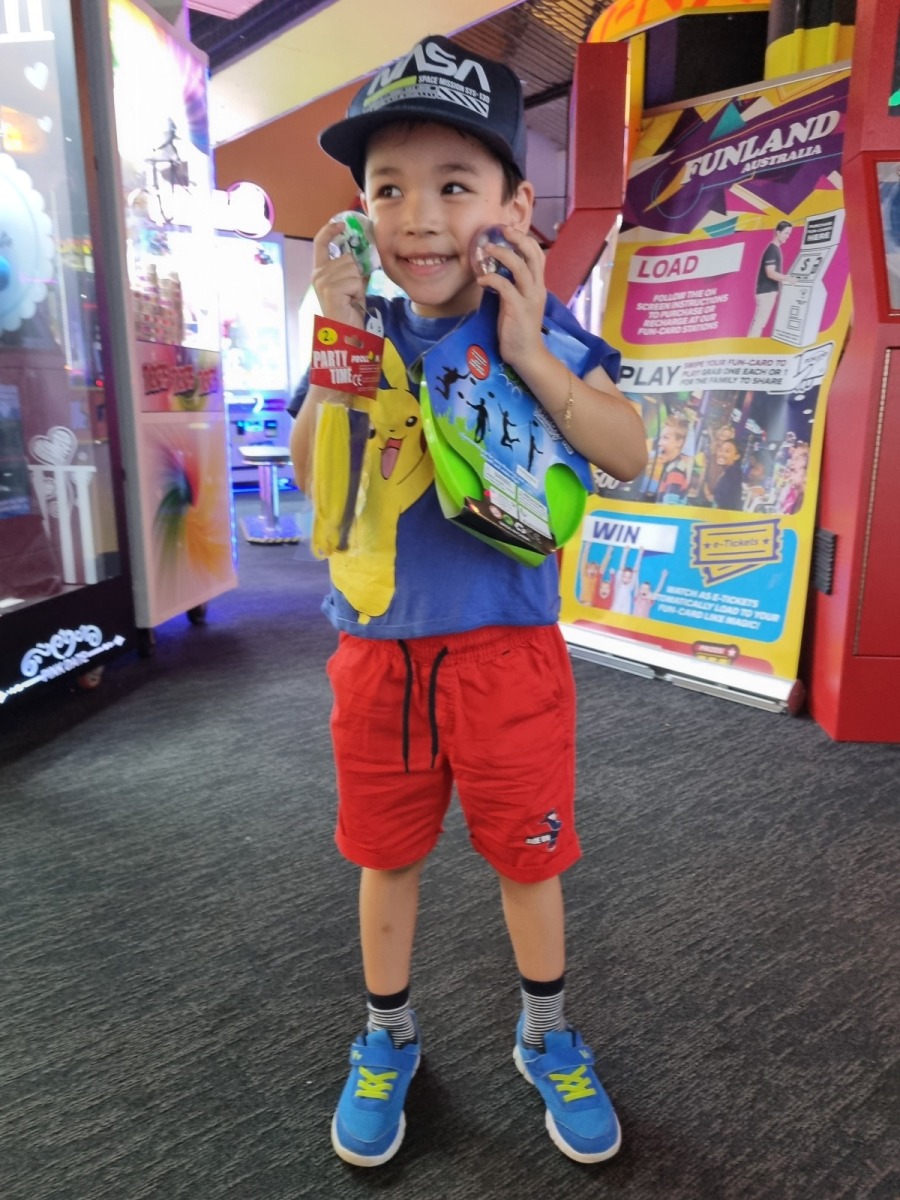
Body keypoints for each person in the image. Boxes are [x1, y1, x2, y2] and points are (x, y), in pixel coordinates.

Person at [288, 33, 647, 1170]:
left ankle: (546, 1032)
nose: (421, 218)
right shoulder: (362, 334)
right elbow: (314, 484)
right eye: (389, 189)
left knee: (528, 857)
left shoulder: (539, 326)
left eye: (455, 185)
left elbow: (628, 451)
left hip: (508, 657)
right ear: (360, 213)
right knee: (385, 855)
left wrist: (533, 352)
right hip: (380, 658)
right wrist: (342, 340)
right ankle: (387, 1033)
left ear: (515, 206)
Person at [748, 221, 793, 337]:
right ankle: (750, 345)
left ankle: (751, 344)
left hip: (768, 291)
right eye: (786, 233)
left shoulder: (775, 249)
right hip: (766, 292)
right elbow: (770, 273)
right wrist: (787, 278)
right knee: (759, 323)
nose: (788, 236)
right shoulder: (772, 250)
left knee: (760, 323)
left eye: (789, 234)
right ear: (778, 232)